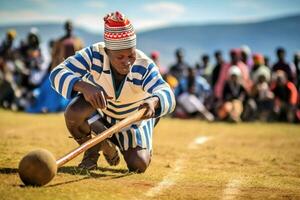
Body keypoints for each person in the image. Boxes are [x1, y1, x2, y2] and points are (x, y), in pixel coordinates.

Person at [50, 11, 176, 172]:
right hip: (100, 118)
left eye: (131, 55)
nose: (127, 62)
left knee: (139, 165)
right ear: (107, 52)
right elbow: (57, 73)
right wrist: (84, 87)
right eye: (120, 57)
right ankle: (93, 149)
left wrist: (153, 101)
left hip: (132, 123)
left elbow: (167, 92)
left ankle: (122, 138)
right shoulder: (94, 54)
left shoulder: (144, 65)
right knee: (74, 112)